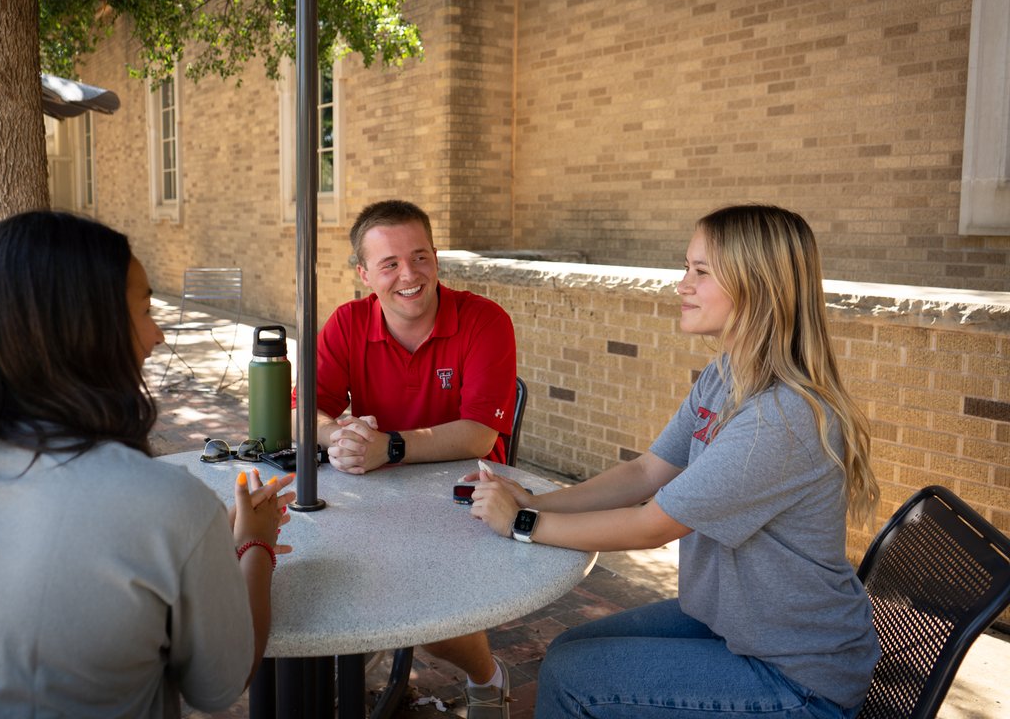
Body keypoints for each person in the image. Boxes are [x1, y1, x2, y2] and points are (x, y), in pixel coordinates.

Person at [0, 211, 295, 718]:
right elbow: (220, 686)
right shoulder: (165, 506)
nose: (158, 335)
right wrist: (254, 541)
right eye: (145, 311)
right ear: (87, 332)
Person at [469, 204, 881, 718]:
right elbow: (645, 472)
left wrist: (523, 523)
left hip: (796, 678)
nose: (681, 284)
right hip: (730, 624)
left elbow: (650, 526)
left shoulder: (780, 417)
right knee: (569, 649)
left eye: (700, 271)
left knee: (573, 679)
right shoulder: (726, 375)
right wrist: (537, 500)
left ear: (759, 286)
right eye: (686, 267)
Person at [311, 199, 518, 718]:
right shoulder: (347, 322)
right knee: (321, 583)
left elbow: (478, 433)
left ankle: (488, 679)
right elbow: (307, 412)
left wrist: (391, 446)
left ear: (436, 259)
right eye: (390, 264)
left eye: (420, 257)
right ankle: (373, 671)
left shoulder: (484, 320)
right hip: (376, 489)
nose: (410, 275)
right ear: (364, 274)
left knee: (431, 621)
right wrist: (341, 437)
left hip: (466, 493)